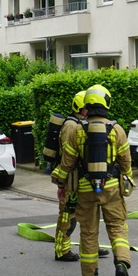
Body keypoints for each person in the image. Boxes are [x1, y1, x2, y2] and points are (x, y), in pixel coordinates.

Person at [54, 84, 133, 276]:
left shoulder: (77, 131)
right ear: (106, 102)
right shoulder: (117, 130)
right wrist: (128, 179)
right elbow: (125, 161)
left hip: (85, 189)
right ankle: (122, 262)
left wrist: (60, 181)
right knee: (117, 227)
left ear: (87, 105)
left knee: (88, 231)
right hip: (112, 187)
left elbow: (67, 163)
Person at [48, 91, 108, 262]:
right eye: (85, 108)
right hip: (71, 180)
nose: (88, 111)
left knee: (89, 214)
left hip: (81, 179)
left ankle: (91, 246)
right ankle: (62, 250)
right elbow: (69, 156)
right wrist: (62, 183)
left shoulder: (82, 123)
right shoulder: (71, 126)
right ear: (79, 108)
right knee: (68, 215)